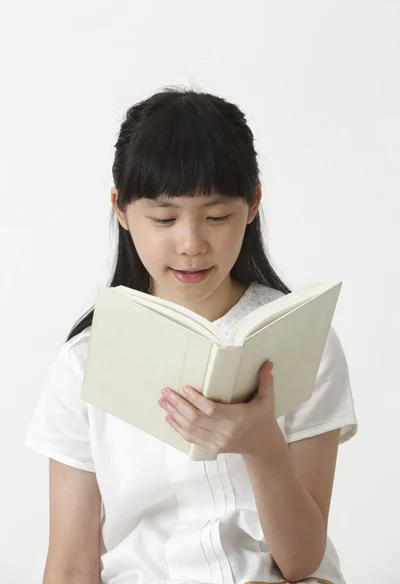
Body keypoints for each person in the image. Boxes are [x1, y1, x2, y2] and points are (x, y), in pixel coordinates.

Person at [25, 86, 358, 584]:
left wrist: (262, 445)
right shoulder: (86, 362)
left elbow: (303, 560)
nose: (192, 244)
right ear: (120, 209)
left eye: (217, 216)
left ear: (252, 206)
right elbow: (71, 565)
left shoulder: (304, 342)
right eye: (163, 218)